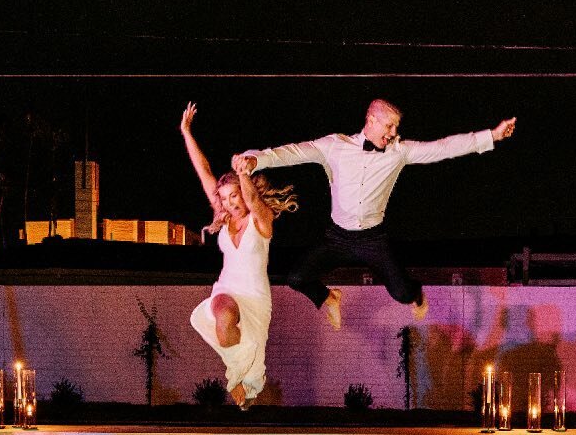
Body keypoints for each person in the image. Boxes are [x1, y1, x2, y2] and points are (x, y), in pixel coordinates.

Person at [233, 99, 516, 329]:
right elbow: (293, 152)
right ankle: (329, 297)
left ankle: (416, 294)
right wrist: (256, 158)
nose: (393, 133)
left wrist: (490, 135)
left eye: (396, 127)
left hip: (373, 239)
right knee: (296, 278)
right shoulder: (335, 146)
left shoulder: (399, 152)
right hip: (337, 237)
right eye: (389, 126)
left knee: (402, 294)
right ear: (371, 121)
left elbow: (442, 148)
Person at [180, 102, 298, 409]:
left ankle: (248, 381)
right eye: (225, 199)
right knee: (222, 315)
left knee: (254, 371)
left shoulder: (262, 219)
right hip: (228, 290)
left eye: (234, 196)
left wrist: (243, 175)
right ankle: (235, 375)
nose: (231, 204)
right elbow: (204, 171)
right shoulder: (224, 216)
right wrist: (186, 132)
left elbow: (251, 199)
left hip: (256, 297)